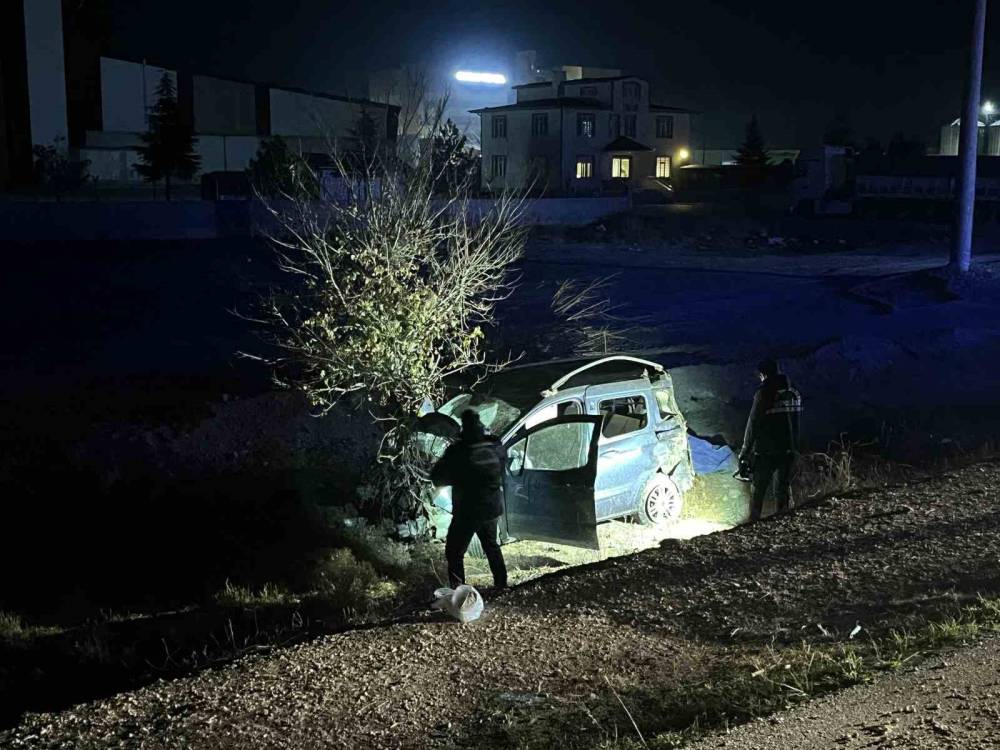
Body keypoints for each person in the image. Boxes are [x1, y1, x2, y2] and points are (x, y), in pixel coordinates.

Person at [430, 410, 508, 591]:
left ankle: (459, 592)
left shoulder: (458, 452)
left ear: (463, 429)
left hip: (468, 511)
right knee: (491, 545)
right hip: (491, 508)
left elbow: (438, 477)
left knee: (454, 552)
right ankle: (502, 585)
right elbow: (501, 469)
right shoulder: (495, 446)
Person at [739, 358, 803, 522]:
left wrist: (745, 452)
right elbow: (797, 421)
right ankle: (783, 523)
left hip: (766, 451)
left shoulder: (764, 392)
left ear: (763, 374)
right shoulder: (793, 392)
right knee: (782, 490)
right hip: (788, 449)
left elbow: (753, 423)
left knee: (758, 490)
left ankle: (752, 525)